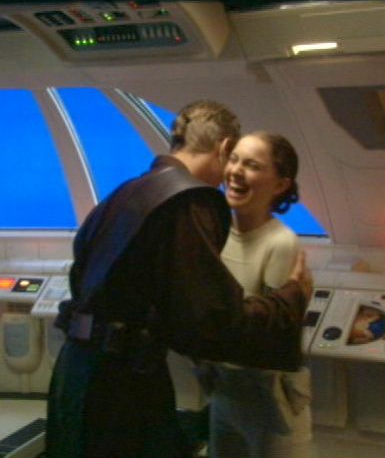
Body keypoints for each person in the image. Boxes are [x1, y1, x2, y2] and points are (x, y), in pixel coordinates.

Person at [46, 100, 311, 458]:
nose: (230, 174)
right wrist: (290, 298)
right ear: (224, 148)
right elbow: (213, 321)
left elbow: (83, 276)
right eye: (233, 159)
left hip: (74, 375)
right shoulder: (188, 203)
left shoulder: (125, 194)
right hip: (120, 387)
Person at [203, 131, 315, 458]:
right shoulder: (215, 233)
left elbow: (264, 330)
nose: (235, 170)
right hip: (225, 393)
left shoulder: (280, 243)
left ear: (280, 185)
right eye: (234, 159)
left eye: (251, 165)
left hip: (270, 400)